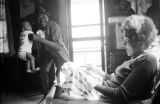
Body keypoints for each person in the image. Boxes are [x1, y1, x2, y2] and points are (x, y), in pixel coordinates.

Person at [39, 15, 158, 104]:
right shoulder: (139, 57)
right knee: (71, 68)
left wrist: (92, 83)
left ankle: (49, 98)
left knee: (68, 67)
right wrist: (99, 72)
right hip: (103, 84)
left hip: (101, 94)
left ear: (140, 40)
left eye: (126, 40)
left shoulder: (147, 61)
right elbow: (117, 79)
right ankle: (54, 96)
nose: (124, 44)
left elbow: (120, 94)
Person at [32, 13, 69, 96]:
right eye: (39, 18)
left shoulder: (53, 26)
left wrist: (40, 39)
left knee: (60, 76)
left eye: (44, 17)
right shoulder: (39, 30)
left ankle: (59, 88)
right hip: (48, 52)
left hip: (60, 54)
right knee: (43, 69)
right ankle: (45, 92)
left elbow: (58, 47)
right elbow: (39, 46)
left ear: (48, 17)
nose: (42, 20)